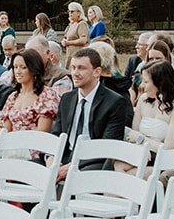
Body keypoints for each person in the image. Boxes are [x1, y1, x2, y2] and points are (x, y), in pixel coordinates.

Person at [50, 46, 129, 177]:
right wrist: (51, 159)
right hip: (65, 156)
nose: (75, 73)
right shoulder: (67, 99)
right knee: (29, 169)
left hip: (93, 161)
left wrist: (73, 165)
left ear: (97, 72)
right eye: (73, 67)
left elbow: (107, 147)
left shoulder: (115, 102)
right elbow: (57, 133)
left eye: (81, 68)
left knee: (77, 177)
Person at [0, 47, 59, 155]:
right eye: (15, 67)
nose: (18, 72)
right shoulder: (13, 96)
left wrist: (13, 137)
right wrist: (0, 128)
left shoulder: (46, 95)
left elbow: (42, 133)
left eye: (23, 67)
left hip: (30, 147)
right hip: (8, 143)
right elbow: (6, 129)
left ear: (34, 69)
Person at [132, 60, 174, 154]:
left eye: (146, 82)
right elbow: (133, 134)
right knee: (116, 162)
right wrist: (141, 148)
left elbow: (169, 149)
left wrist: (142, 140)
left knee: (122, 166)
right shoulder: (143, 99)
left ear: (160, 84)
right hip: (145, 152)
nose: (141, 86)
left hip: (170, 159)